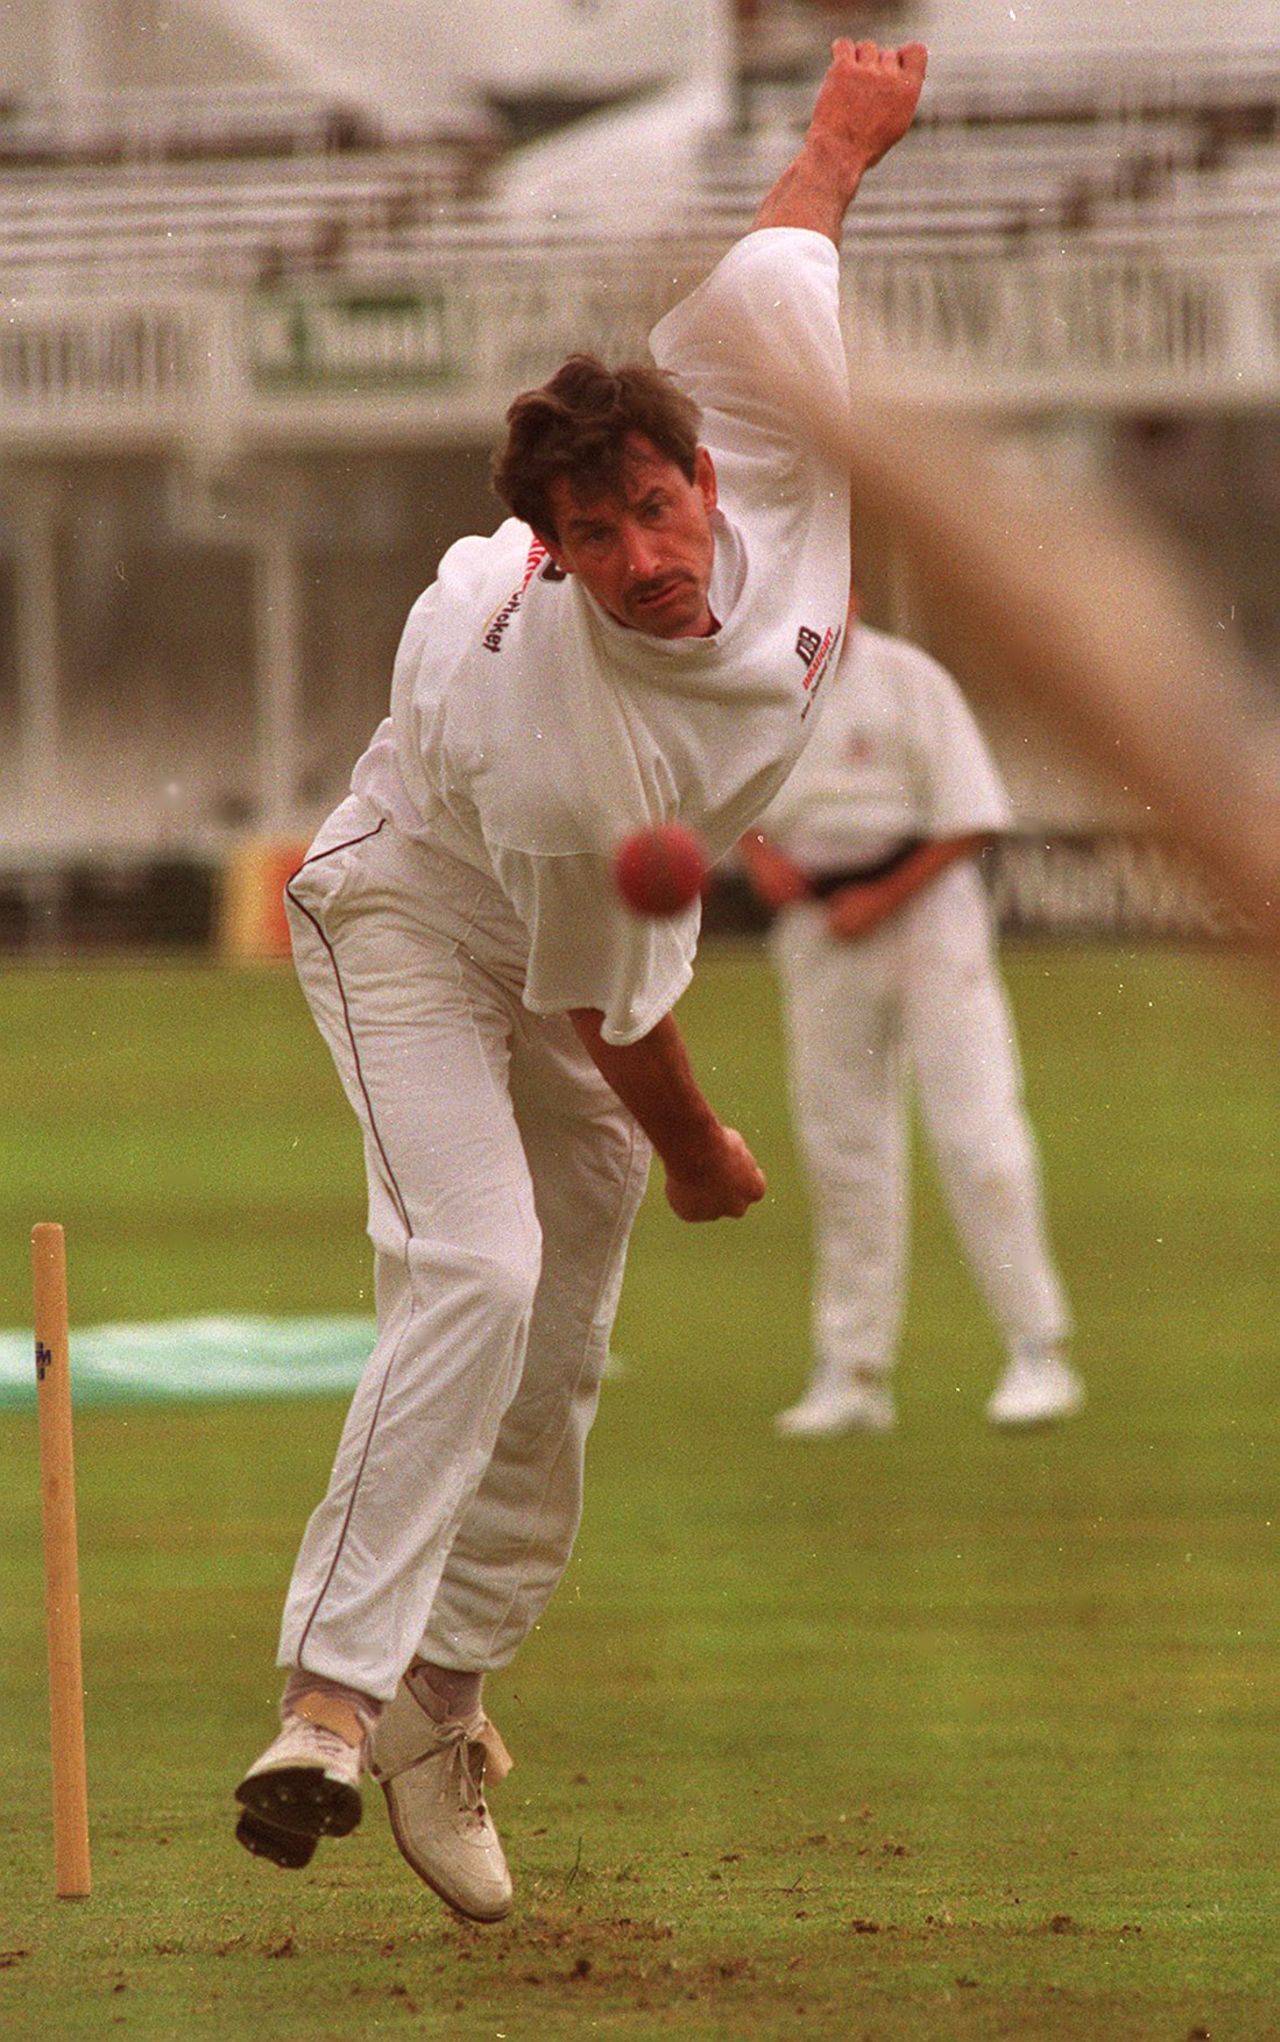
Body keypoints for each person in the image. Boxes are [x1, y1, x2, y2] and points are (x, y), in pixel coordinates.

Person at [232, 40, 928, 1920]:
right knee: (477, 1260)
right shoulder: (571, 742)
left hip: (575, 940)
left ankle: (447, 1703)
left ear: (710, 469)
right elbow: (602, 1011)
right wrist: (702, 1148)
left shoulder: (762, 407)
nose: (643, 562)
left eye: (656, 512)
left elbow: (794, 235)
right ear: (549, 553)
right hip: (423, 909)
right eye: (596, 540)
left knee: (560, 1352)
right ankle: (325, 1703)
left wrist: (843, 127)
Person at [739, 619, 1082, 1438]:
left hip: (928, 918)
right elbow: (727, 799)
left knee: (977, 1135)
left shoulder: (909, 677)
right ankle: (854, 1373)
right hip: (820, 928)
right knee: (841, 1145)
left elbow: (973, 816)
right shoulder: (756, 685)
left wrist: (882, 898)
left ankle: (1038, 1352)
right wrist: (761, 858)